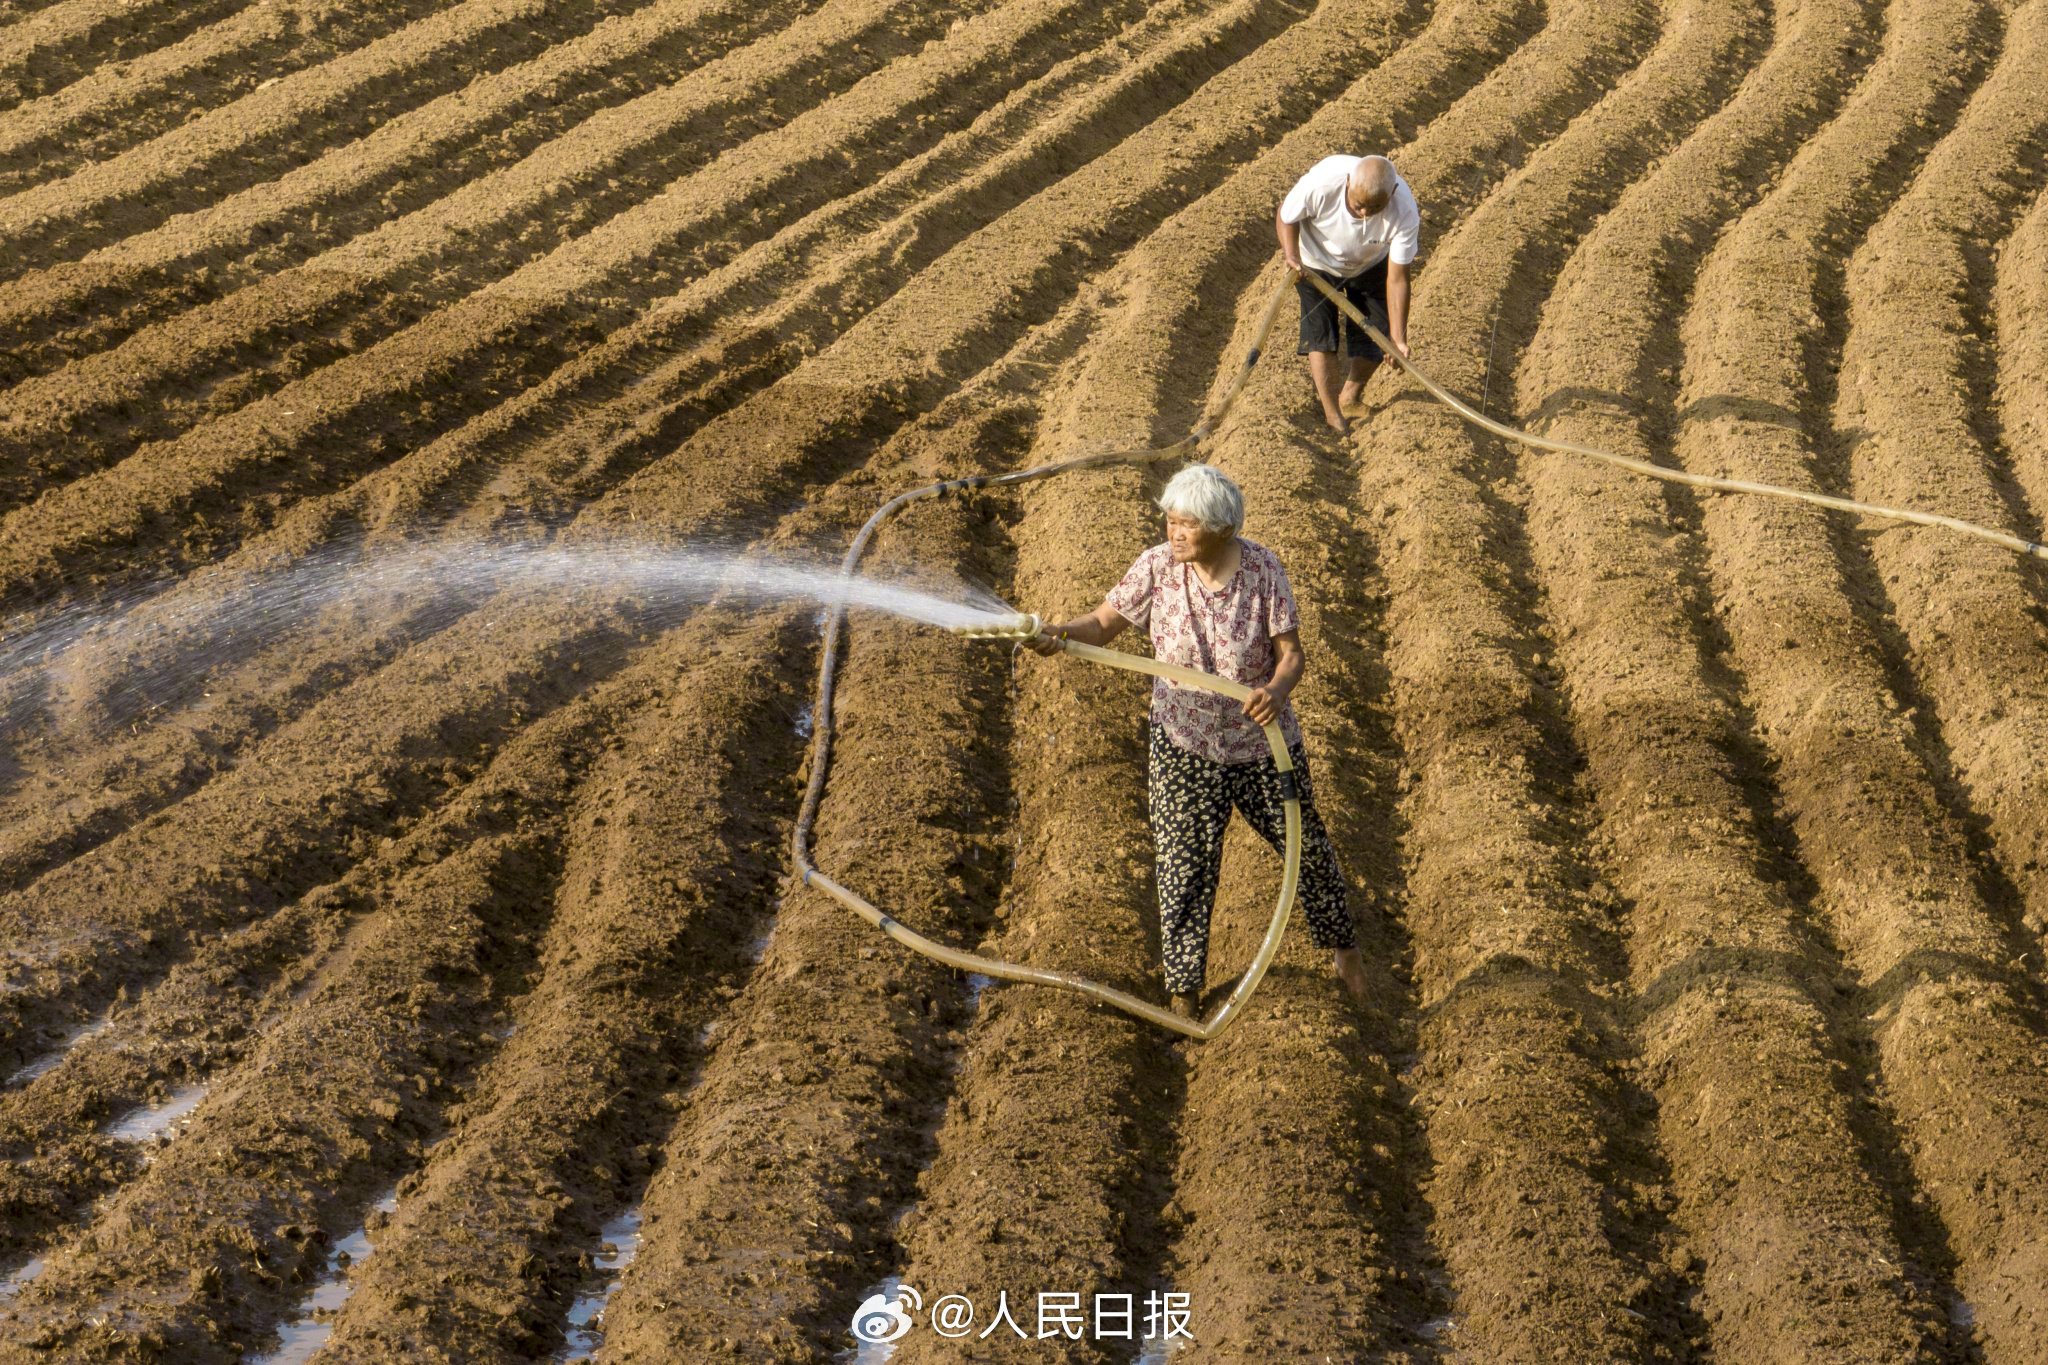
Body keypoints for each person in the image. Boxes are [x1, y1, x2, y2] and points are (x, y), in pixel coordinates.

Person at [1029, 464, 1367, 1018]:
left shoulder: (1261, 569)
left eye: (1189, 524)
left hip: (1261, 745)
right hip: (1183, 743)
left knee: (1307, 853)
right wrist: (1057, 635)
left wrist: (1277, 691)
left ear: (1224, 529)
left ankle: (1346, 954)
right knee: (1183, 867)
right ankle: (1183, 994)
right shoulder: (1157, 567)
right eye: (1171, 519)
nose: (1175, 531)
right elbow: (1101, 623)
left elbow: (1291, 654)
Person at [1275, 153, 1418, 433]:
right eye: (1358, 205)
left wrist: (1398, 339)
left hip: (1370, 262)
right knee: (1321, 336)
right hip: (1315, 264)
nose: (1365, 213)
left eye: (1375, 207)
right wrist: (1292, 256)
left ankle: (1349, 396)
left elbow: (1398, 278)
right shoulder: (1321, 185)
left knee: (1378, 333)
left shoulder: (1405, 211)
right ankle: (1333, 416)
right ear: (1348, 183)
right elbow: (1285, 215)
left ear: (1393, 193)